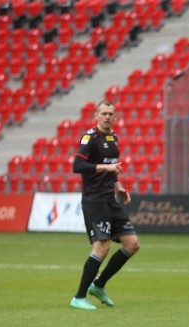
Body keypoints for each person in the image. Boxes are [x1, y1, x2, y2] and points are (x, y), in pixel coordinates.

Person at [69, 100, 140, 310]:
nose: (107, 117)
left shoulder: (113, 138)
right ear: (96, 115)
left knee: (132, 244)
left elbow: (112, 169)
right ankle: (79, 296)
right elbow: (78, 165)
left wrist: (118, 187)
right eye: (104, 113)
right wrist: (105, 169)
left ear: (115, 117)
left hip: (110, 198)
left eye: (111, 113)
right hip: (94, 200)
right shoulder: (89, 138)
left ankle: (98, 286)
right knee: (102, 246)